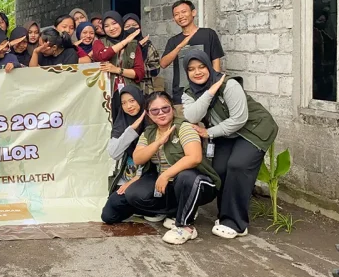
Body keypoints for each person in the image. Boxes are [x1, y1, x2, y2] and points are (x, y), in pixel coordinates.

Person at [181, 51, 278, 239]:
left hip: (254, 130)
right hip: (226, 133)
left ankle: (236, 223)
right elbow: (192, 116)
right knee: (219, 169)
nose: (197, 72)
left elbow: (239, 119)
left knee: (238, 165)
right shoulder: (189, 93)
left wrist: (209, 132)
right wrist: (210, 92)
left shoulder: (229, 85)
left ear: (209, 66)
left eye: (201, 66)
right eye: (191, 69)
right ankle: (224, 215)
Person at [102, 92, 220, 246]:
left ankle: (184, 226)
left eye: (165, 108)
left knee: (186, 178)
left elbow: (194, 157)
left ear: (172, 109)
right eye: (155, 111)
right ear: (149, 114)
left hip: (198, 184)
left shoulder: (183, 127)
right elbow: (138, 158)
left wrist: (166, 175)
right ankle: (175, 211)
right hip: (165, 187)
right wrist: (158, 143)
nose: (161, 113)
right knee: (111, 212)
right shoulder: (149, 132)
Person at [101, 86, 166, 223]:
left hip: (151, 174)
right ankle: (141, 208)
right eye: (123, 103)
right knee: (108, 215)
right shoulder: (122, 122)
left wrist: (136, 178)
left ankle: (160, 208)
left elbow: (154, 158)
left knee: (134, 195)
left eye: (132, 101)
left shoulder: (153, 120)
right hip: (129, 174)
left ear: (140, 100)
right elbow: (114, 153)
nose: (128, 106)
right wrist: (131, 129)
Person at [160, 0, 225, 106]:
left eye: (184, 12)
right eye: (176, 14)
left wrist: (214, 87)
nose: (180, 16)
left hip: (207, 91)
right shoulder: (173, 41)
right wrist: (180, 46)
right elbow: (163, 64)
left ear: (193, 13)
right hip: (182, 93)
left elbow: (216, 62)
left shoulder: (208, 34)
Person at [94, 12, 145, 118]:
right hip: (108, 94)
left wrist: (117, 70)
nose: (111, 28)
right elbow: (102, 56)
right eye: (106, 26)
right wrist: (125, 41)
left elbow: (139, 73)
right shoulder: (99, 43)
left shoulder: (134, 45)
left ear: (121, 24)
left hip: (131, 93)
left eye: (114, 23)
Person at [123, 14, 161, 94]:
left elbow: (155, 69)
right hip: (124, 88)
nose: (131, 28)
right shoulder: (119, 47)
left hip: (145, 89)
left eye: (134, 25)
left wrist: (135, 71)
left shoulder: (147, 45)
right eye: (127, 26)